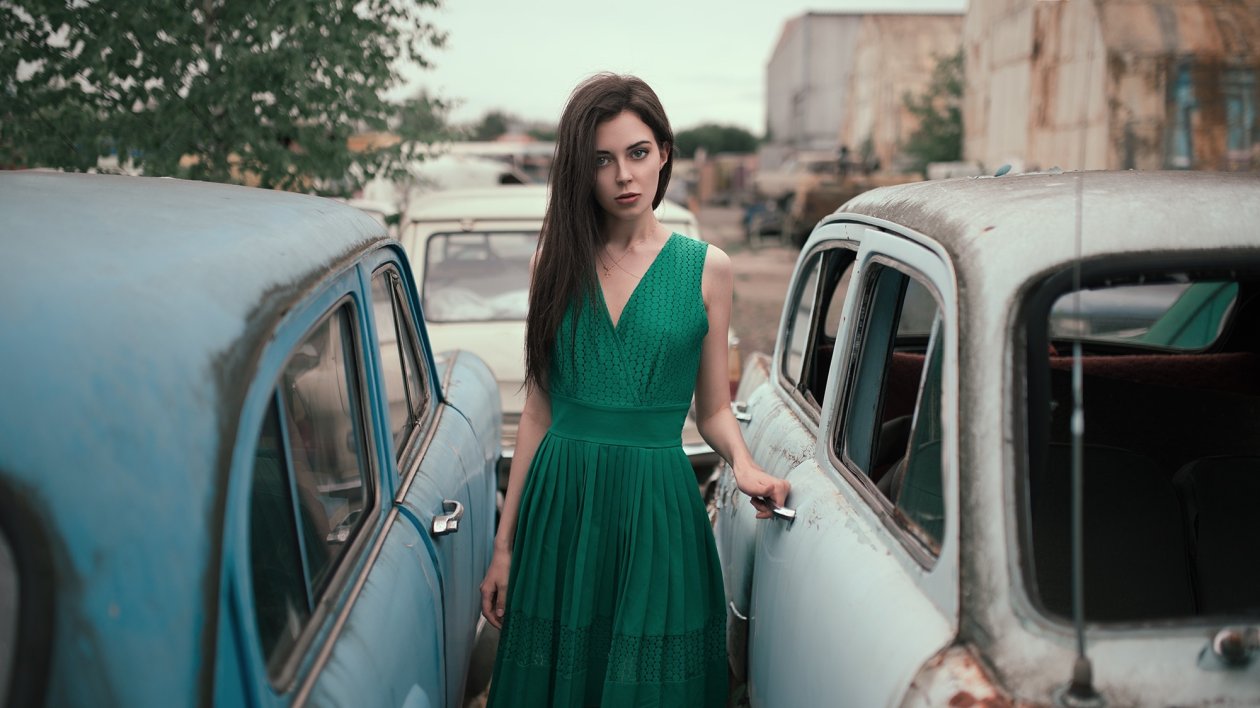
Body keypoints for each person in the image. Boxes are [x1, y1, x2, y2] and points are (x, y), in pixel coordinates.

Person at [479, 73, 790, 708]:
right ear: (580, 171)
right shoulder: (554, 261)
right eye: (602, 159)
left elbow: (712, 410)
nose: (624, 175)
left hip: (655, 509)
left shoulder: (709, 269)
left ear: (665, 153)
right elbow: (537, 411)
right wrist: (503, 547)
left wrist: (747, 464)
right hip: (560, 508)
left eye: (638, 152)